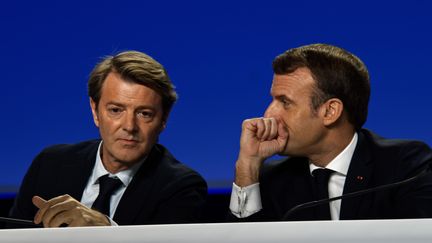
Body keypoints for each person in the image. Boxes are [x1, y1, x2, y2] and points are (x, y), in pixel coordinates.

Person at [229, 43, 432, 221]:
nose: (268, 113)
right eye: (273, 100)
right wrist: (247, 165)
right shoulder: (271, 178)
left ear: (330, 111)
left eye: (285, 102)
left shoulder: (406, 168)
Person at [9, 50, 207, 227]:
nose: (129, 126)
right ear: (95, 111)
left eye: (144, 114)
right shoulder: (50, 164)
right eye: (115, 110)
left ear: (163, 119)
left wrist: (105, 229)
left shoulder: (182, 187)